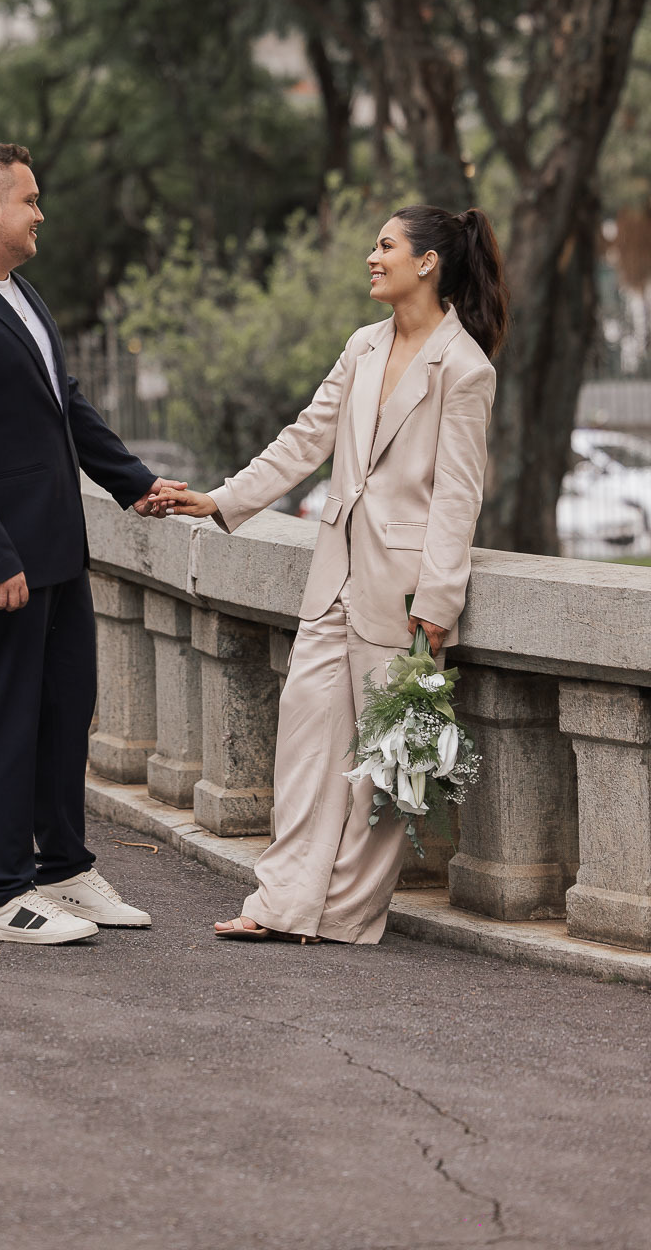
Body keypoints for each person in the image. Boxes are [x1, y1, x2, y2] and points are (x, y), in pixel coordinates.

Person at [152, 205, 509, 945]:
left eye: (385, 246)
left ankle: (343, 915)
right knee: (306, 742)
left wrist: (438, 600)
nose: (372, 258)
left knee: (385, 766)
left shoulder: (466, 367)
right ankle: (280, 906)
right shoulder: (362, 347)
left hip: (405, 592)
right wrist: (224, 498)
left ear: (429, 261)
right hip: (335, 575)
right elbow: (305, 437)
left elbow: (457, 493)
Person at [0, 141, 185, 945]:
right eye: (29, 198)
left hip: (54, 552)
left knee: (63, 715)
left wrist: (134, 482)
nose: (39, 213)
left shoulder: (19, 293)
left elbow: (66, 407)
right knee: (2, 721)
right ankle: (2, 896)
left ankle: (64, 870)